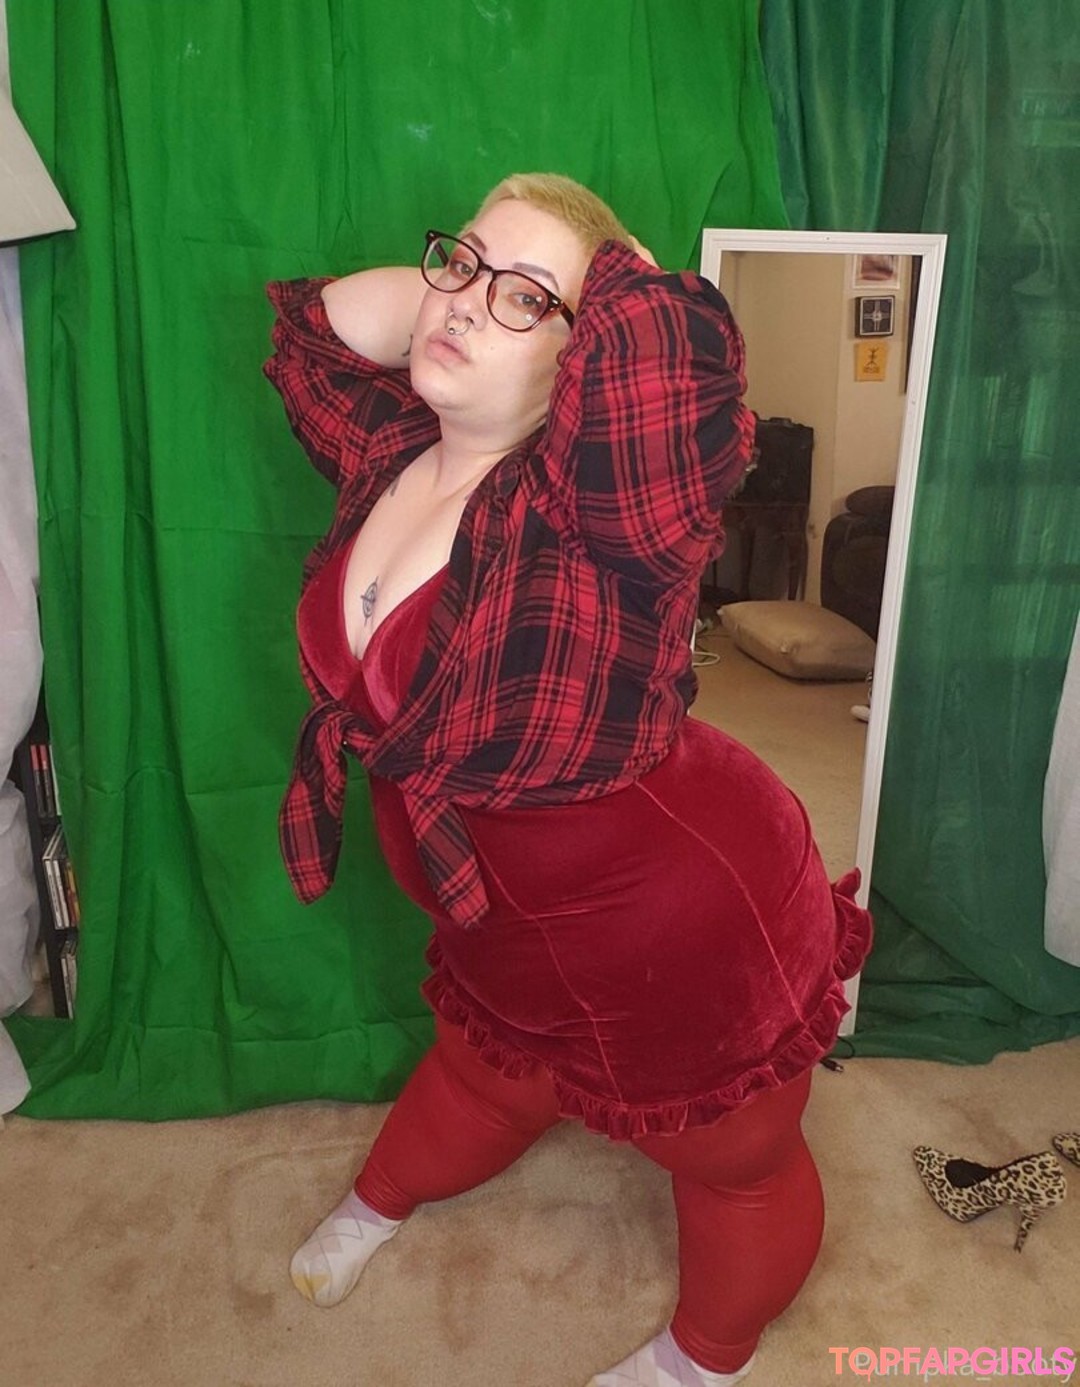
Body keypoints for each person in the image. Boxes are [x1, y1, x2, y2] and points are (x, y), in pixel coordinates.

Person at [264, 172, 872, 1387]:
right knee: (488, 1074)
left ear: (584, 360)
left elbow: (677, 368)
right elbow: (315, 333)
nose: (465, 301)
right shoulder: (392, 448)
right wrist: (491, 286)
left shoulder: (604, 519)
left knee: (733, 1155)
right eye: (459, 262)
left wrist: (602, 270)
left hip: (678, 914)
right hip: (501, 912)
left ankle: (703, 1359)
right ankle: (380, 1199)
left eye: (528, 298)